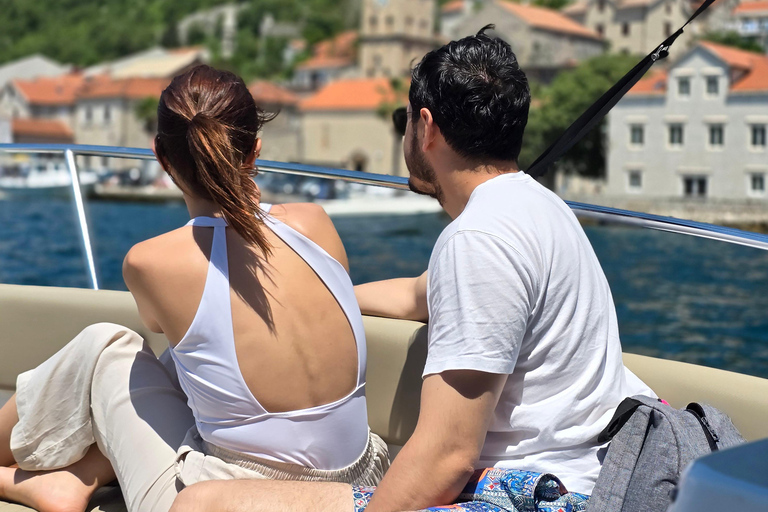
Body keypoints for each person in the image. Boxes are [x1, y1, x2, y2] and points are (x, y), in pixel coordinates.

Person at [169, 26, 655, 512]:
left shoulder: (476, 240)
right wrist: (320, 295)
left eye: (405, 120)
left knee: (204, 503)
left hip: (533, 495)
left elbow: (447, 459)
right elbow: (419, 296)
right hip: (590, 473)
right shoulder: (542, 206)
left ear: (427, 127)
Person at [0, 65, 387, 512]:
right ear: (254, 151)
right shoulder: (314, 223)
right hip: (358, 483)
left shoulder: (151, 262)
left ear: (162, 159)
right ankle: (78, 477)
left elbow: (159, 326)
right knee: (180, 360)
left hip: (232, 498)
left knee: (105, 345)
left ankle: (43, 475)